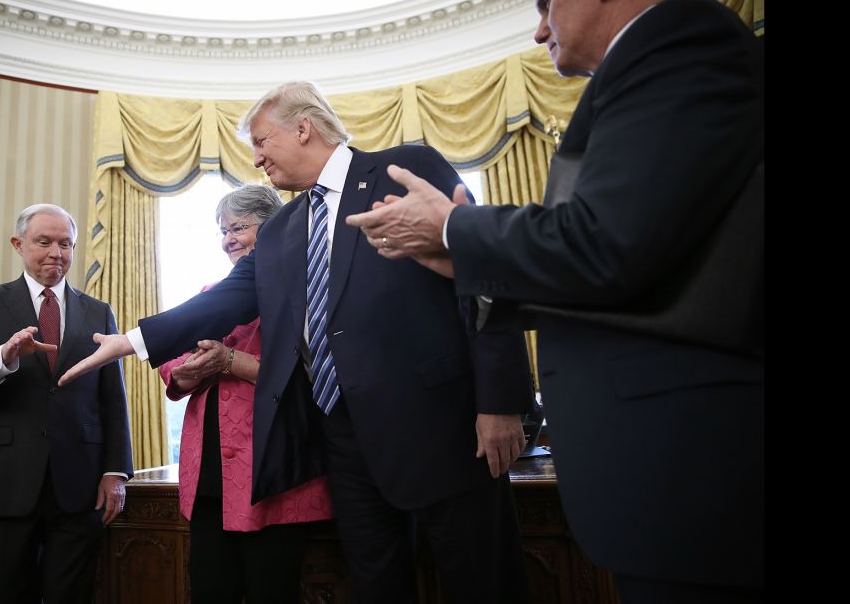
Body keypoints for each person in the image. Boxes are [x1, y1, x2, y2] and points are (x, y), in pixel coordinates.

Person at [345, 0, 764, 602]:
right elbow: (626, 263)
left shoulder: (681, 41)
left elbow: (608, 242)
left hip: (695, 470)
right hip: (662, 476)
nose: (539, 31)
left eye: (545, 3)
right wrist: (455, 259)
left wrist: (455, 229)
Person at [62, 82, 536, 603]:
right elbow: (225, 300)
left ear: (303, 128)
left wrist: (501, 401)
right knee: (378, 585)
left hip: (442, 429)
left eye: (262, 141)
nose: (257, 157)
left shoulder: (404, 167)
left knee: (484, 582)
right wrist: (132, 341)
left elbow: (481, 272)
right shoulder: (286, 225)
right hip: (344, 444)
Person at [0, 203, 134, 604]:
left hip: (80, 484)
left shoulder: (98, 311)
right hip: (7, 481)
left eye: (65, 244)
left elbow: (112, 398)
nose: (55, 253)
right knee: (13, 595)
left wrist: (117, 471)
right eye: (43, 242)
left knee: (72, 595)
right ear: (19, 244)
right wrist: (3, 358)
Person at [161, 183, 334, 603]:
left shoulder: (307, 292)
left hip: (274, 471)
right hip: (208, 477)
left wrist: (228, 362)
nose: (228, 240)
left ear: (273, 228)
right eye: (222, 231)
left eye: (238, 227)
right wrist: (187, 372)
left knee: (270, 590)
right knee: (209, 589)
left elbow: (317, 377)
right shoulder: (210, 294)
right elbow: (171, 360)